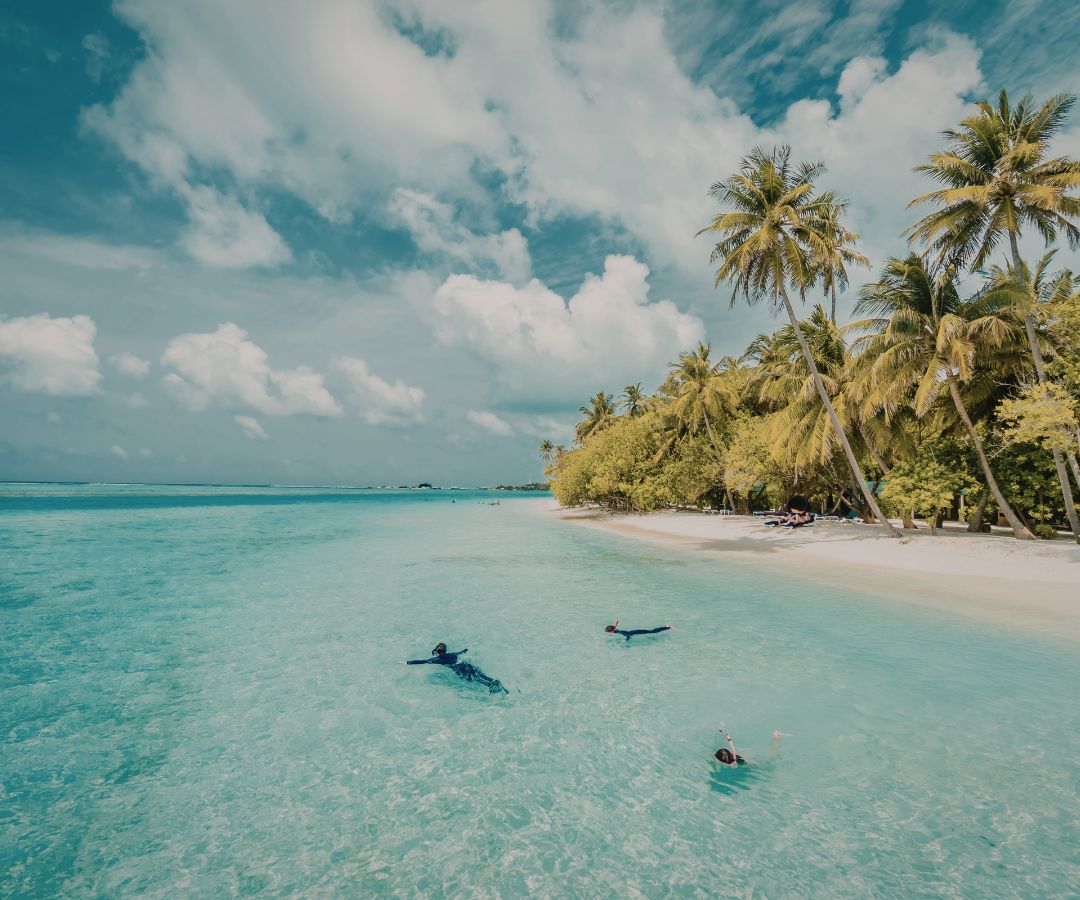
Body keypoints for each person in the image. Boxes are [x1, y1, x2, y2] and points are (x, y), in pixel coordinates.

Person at [406, 642, 508, 694]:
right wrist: (465, 650)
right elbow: (462, 652)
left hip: (461, 670)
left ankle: (492, 686)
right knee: (480, 675)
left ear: (437, 652)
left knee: (475, 679)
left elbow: (423, 661)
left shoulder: (439, 660)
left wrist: (408, 662)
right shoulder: (451, 654)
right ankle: (495, 682)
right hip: (467, 665)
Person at [713, 729, 787, 766]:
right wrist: (728, 737)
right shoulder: (734, 757)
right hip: (742, 757)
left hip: (745, 761)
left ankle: (776, 739)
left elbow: (733, 751)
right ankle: (776, 738)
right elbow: (733, 748)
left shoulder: (732, 763)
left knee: (771, 758)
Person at [603, 620, 672, 641]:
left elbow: (627, 635)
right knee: (651, 631)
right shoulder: (616, 631)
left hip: (636, 632)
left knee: (652, 631)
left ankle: (667, 627)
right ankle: (666, 627)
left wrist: (627, 640)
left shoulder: (618, 631)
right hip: (634, 632)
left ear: (611, 631)